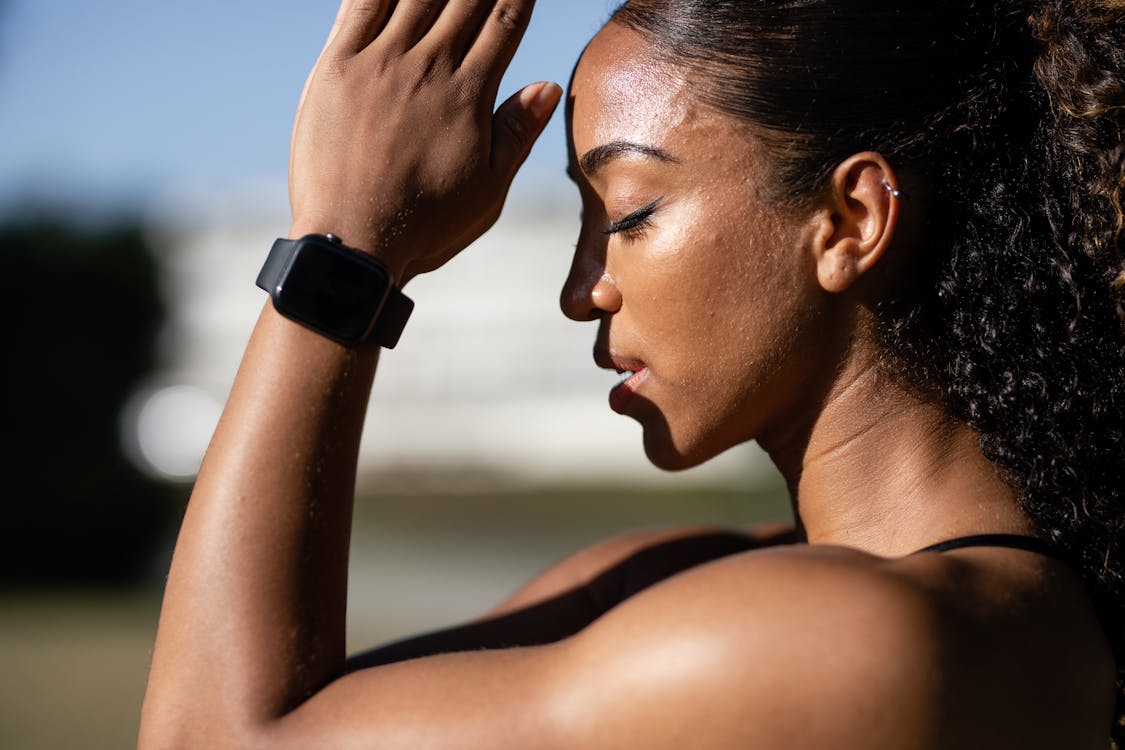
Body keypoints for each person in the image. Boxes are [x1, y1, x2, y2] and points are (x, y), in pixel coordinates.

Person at [138, 0, 1125, 747]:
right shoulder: (692, 577)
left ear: (850, 222)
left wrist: (345, 251)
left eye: (628, 210)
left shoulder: (853, 636)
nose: (582, 290)